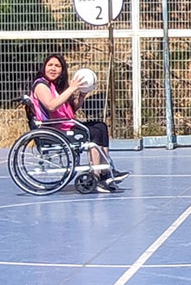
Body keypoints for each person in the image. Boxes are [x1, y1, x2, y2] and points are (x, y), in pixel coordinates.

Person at [30, 54, 127, 191]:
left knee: (101, 126)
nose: (53, 68)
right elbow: (51, 106)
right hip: (54, 129)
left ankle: (105, 171)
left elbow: (71, 109)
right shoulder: (41, 85)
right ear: (44, 67)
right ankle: (96, 175)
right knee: (92, 132)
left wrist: (81, 95)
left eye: (57, 66)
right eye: (50, 65)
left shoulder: (56, 86)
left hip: (64, 124)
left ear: (62, 70)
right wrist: (71, 88)